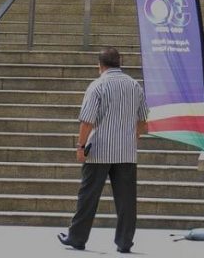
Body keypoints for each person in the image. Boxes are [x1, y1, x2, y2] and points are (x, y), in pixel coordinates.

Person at [58, 47, 149, 254]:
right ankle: (125, 242)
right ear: (119, 63)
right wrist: (132, 136)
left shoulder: (97, 86)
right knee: (127, 200)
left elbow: (87, 121)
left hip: (99, 150)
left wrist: (80, 146)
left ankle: (77, 237)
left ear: (100, 66)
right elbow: (143, 122)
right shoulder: (135, 86)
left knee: (88, 196)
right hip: (126, 152)